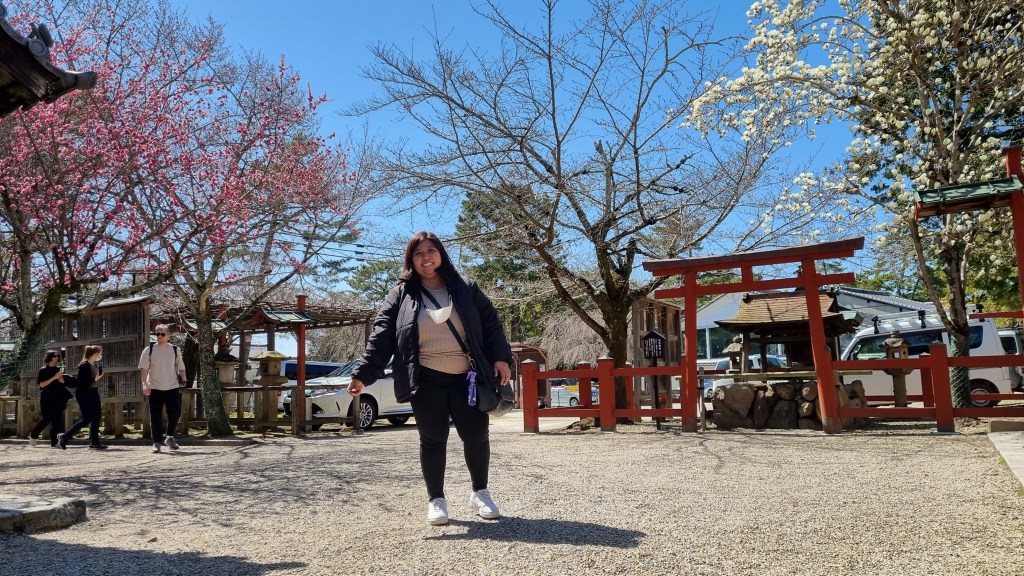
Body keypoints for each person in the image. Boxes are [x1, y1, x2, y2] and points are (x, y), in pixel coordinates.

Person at [347, 231, 513, 526]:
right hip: (425, 379)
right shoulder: (401, 294)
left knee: (476, 436)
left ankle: (480, 493)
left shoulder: (465, 287)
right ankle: (436, 500)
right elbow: (382, 335)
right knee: (433, 439)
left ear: (441, 254)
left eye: (431, 251)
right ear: (411, 260)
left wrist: (501, 356)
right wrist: (363, 374)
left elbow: (491, 323)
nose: (426, 258)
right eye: (419, 253)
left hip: (467, 378)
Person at [138, 324, 186, 453]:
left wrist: (184, 379)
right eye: (157, 334)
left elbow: (181, 367)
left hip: (172, 386)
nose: (159, 336)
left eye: (162, 334)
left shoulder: (175, 349)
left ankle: (170, 437)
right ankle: (156, 442)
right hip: (154, 387)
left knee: (174, 413)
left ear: (168, 336)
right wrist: (144, 384)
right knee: (155, 416)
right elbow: (143, 369)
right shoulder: (149, 349)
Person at [58, 345, 106, 450]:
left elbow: (91, 380)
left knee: (96, 417)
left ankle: (95, 442)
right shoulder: (84, 366)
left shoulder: (94, 365)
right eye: (100, 353)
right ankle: (65, 436)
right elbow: (82, 383)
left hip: (93, 392)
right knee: (87, 418)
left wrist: (96, 379)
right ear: (95, 354)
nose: (100, 355)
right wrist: (94, 379)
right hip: (84, 393)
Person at [29, 350, 71, 448]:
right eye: (54, 356)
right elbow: (42, 385)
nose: (56, 358)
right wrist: (54, 377)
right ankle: (34, 434)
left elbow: (61, 384)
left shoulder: (59, 369)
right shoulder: (43, 370)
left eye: (57, 356)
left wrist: (61, 379)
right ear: (49, 357)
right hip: (47, 398)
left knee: (57, 420)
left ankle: (54, 442)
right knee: (47, 419)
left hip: (58, 397)